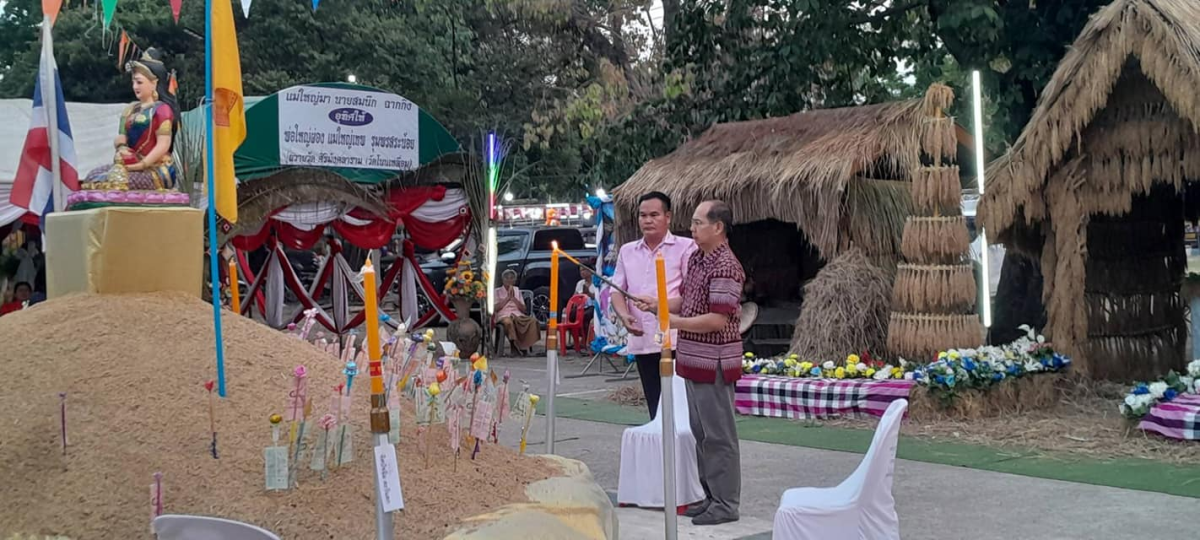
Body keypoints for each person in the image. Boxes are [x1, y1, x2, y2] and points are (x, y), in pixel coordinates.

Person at [640, 200, 744, 526]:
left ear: (718, 227)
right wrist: (659, 304)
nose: (692, 228)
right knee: (701, 433)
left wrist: (674, 322)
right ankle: (711, 496)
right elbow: (688, 300)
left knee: (719, 435)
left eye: (699, 223)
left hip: (714, 361)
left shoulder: (726, 265)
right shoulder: (698, 259)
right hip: (694, 360)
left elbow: (717, 319)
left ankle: (726, 502)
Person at [612, 191, 697, 419]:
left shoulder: (686, 247)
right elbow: (617, 291)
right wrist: (623, 315)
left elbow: (691, 298)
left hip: (677, 339)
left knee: (682, 408)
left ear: (667, 217)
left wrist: (659, 305)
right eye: (642, 216)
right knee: (655, 406)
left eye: (654, 215)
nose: (647, 221)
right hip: (643, 338)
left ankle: (683, 452)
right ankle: (661, 450)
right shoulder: (627, 251)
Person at [82, 48, 181, 191]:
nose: (135, 87)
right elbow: (121, 137)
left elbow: (163, 145)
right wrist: (122, 149)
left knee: (116, 183)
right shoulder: (131, 109)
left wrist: (142, 164)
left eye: (139, 82)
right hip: (130, 164)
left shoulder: (162, 110)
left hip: (156, 168)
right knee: (92, 178)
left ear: (154, 83)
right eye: (133, 82)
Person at [493, 269, 539, 355]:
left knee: (532, 322)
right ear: (503, 280)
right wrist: (507, 298)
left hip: (517, 314)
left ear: (514, 281)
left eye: (511, 278)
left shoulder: (517, 290)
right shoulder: (497, 291)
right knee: (508, 322)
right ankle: (514, 346)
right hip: (503, 315)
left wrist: (514, 298)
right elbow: (496, 308)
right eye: (506, 278)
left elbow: (523, 309)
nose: (509, 280)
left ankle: (524, 346)